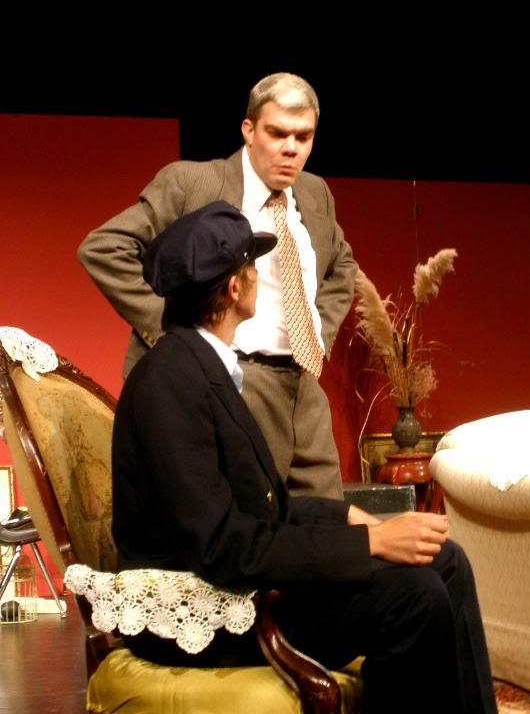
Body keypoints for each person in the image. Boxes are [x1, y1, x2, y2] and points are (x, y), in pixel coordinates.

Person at [112, 202, 497, 714]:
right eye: (252, 265)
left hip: (242, 582)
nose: (258, 276)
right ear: (235, 287)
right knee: (415, 597)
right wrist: (372, 542)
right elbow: (223, 547)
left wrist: (346, 516)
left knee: (446, 562)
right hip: (211, 612)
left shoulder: (202, 366)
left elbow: (265, 508)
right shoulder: (169, 383)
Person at [78, 72, 355, 500]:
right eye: (277, 133)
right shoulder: (195, 183)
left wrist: (320, 334)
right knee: (253, 525)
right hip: (234, 381)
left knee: (328, 522)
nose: (291, 148)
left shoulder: (315, 193)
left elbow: (342, 265)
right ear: (249, 130)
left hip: (303, 387)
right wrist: (178, 331)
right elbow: (104, 248)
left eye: (304, 136)